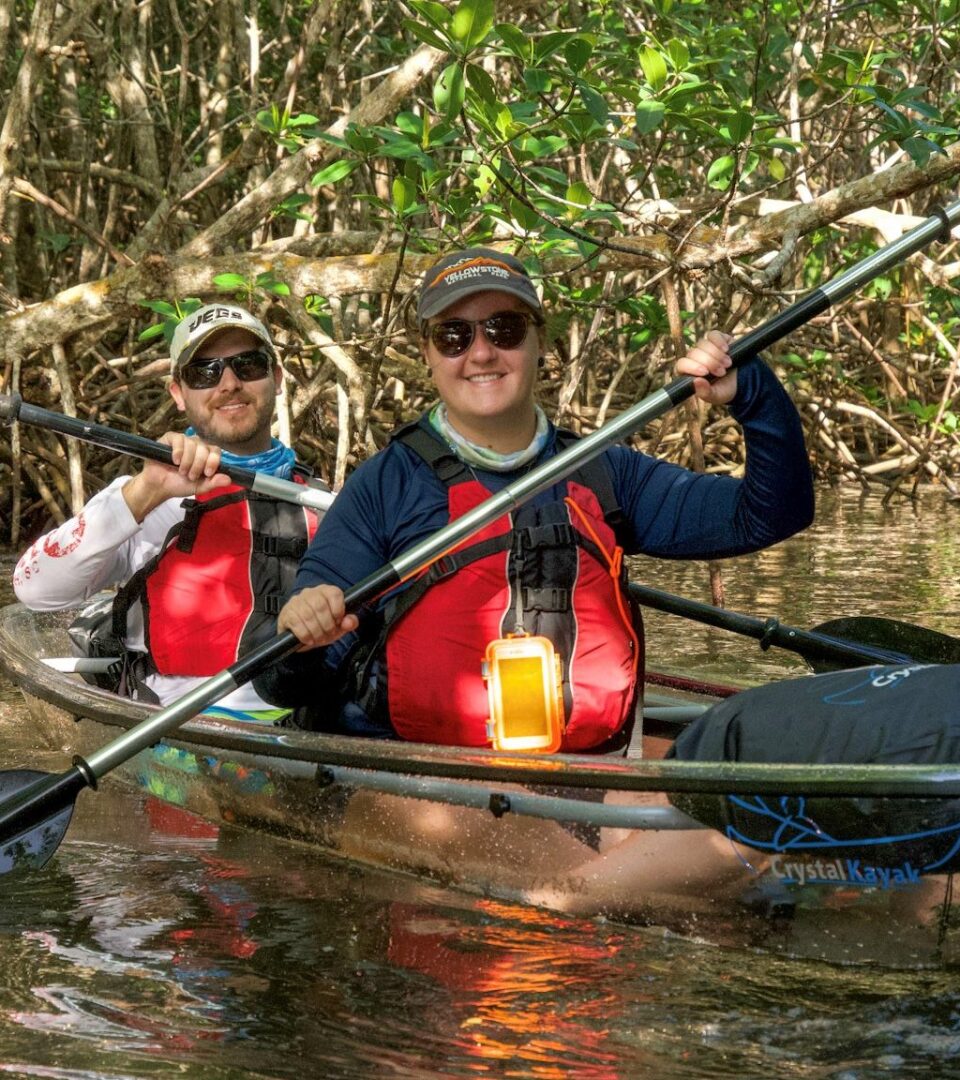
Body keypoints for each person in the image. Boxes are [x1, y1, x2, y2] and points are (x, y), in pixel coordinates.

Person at [255, 247, 814, 749]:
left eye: (504, 329)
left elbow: (769, 515)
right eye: (454, 335)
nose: (480, 352)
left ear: (538, 340)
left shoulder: (602, 472)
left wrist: (753, 395)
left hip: (572, 768)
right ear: (426, 352)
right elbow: (281, 678)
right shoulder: (384, 486)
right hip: (407, 770)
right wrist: (303, 628)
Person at [12, 303, 324, 719]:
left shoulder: (325, 502)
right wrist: (148, 491)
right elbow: (33, 590)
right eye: (204, 372)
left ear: (277, 377)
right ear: (178, 393)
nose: (229, 383)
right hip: (181, 718)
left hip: (306, 718)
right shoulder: (147, 497)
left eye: (248, 365)